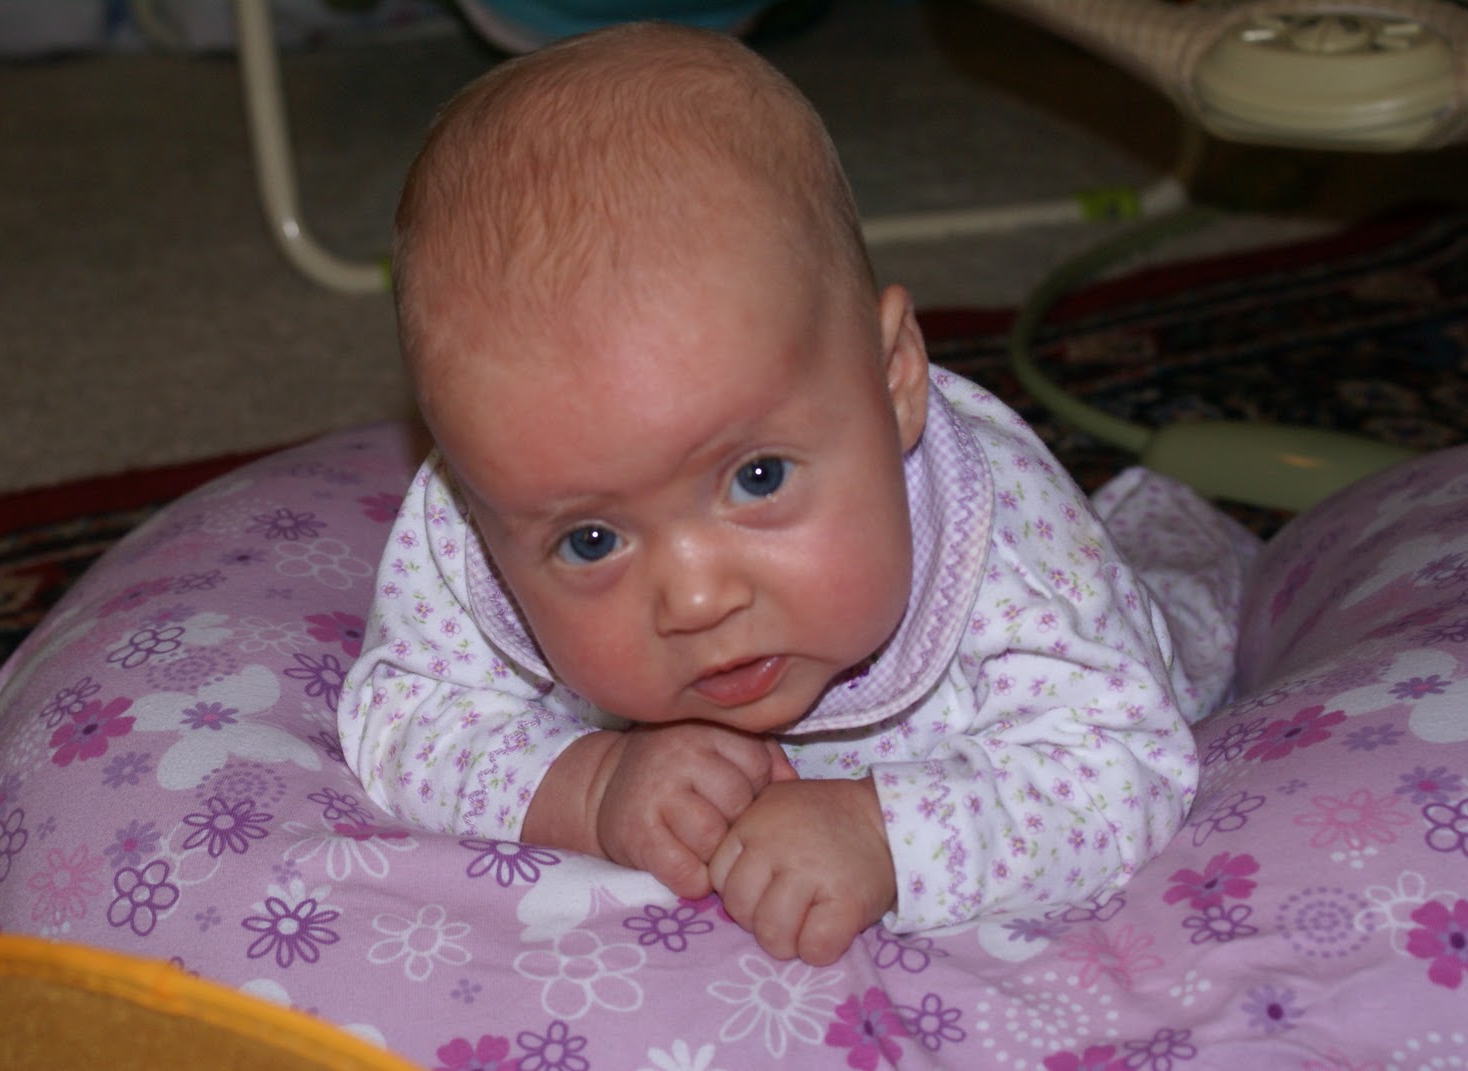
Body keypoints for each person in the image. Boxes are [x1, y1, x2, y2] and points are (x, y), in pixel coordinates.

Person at [338, 21, 1252, 967]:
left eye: (758, 477)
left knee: (1187, 602)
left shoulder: (1011, 550)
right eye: (592, 540)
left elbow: (1122, 762)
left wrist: (887, 836)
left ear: (893, 379)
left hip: (1121, 637)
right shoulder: (487, 515)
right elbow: (405, 717)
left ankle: (1185, 528)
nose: (698, 599)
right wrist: (588, 784)